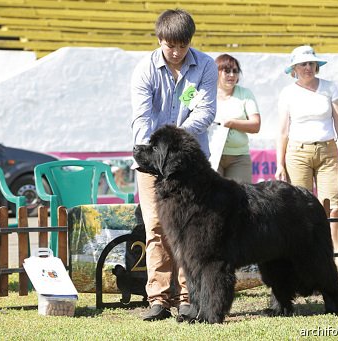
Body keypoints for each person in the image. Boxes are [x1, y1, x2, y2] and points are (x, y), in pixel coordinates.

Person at [130, 9, 218, 321]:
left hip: (192, 164)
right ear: (160, 40)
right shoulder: (144, 69)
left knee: (193, 229)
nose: (177, 52)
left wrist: (176, 144)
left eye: (183, 45)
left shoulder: (206, 64)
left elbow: (206, 112)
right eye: (171, 46)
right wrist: (157, 155)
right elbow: (142, 119)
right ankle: (157, 298)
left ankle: (188, 297)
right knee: (156, 226)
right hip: (152, 164)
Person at [275, 45, 338, 251]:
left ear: (317, 65)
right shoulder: (287, 92)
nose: (308, 67)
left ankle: (334, 255)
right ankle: (305, 255)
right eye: (302, 64)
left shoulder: (330, 87)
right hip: (297, 153)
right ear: (294, 69)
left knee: (332, 206)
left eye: (311, 63)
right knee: (301, 206)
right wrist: (279, 164)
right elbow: (282, 131)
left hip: (328, 151)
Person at [214, 54, 261, 183]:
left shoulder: (245, 93)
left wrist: (232, 123)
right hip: (211, 156)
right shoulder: (206, 92)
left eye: (235, 71)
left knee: (241, 199)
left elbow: (256, 125)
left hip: (239, 157)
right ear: (216, 72)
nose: (232, 75)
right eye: (227, 71)